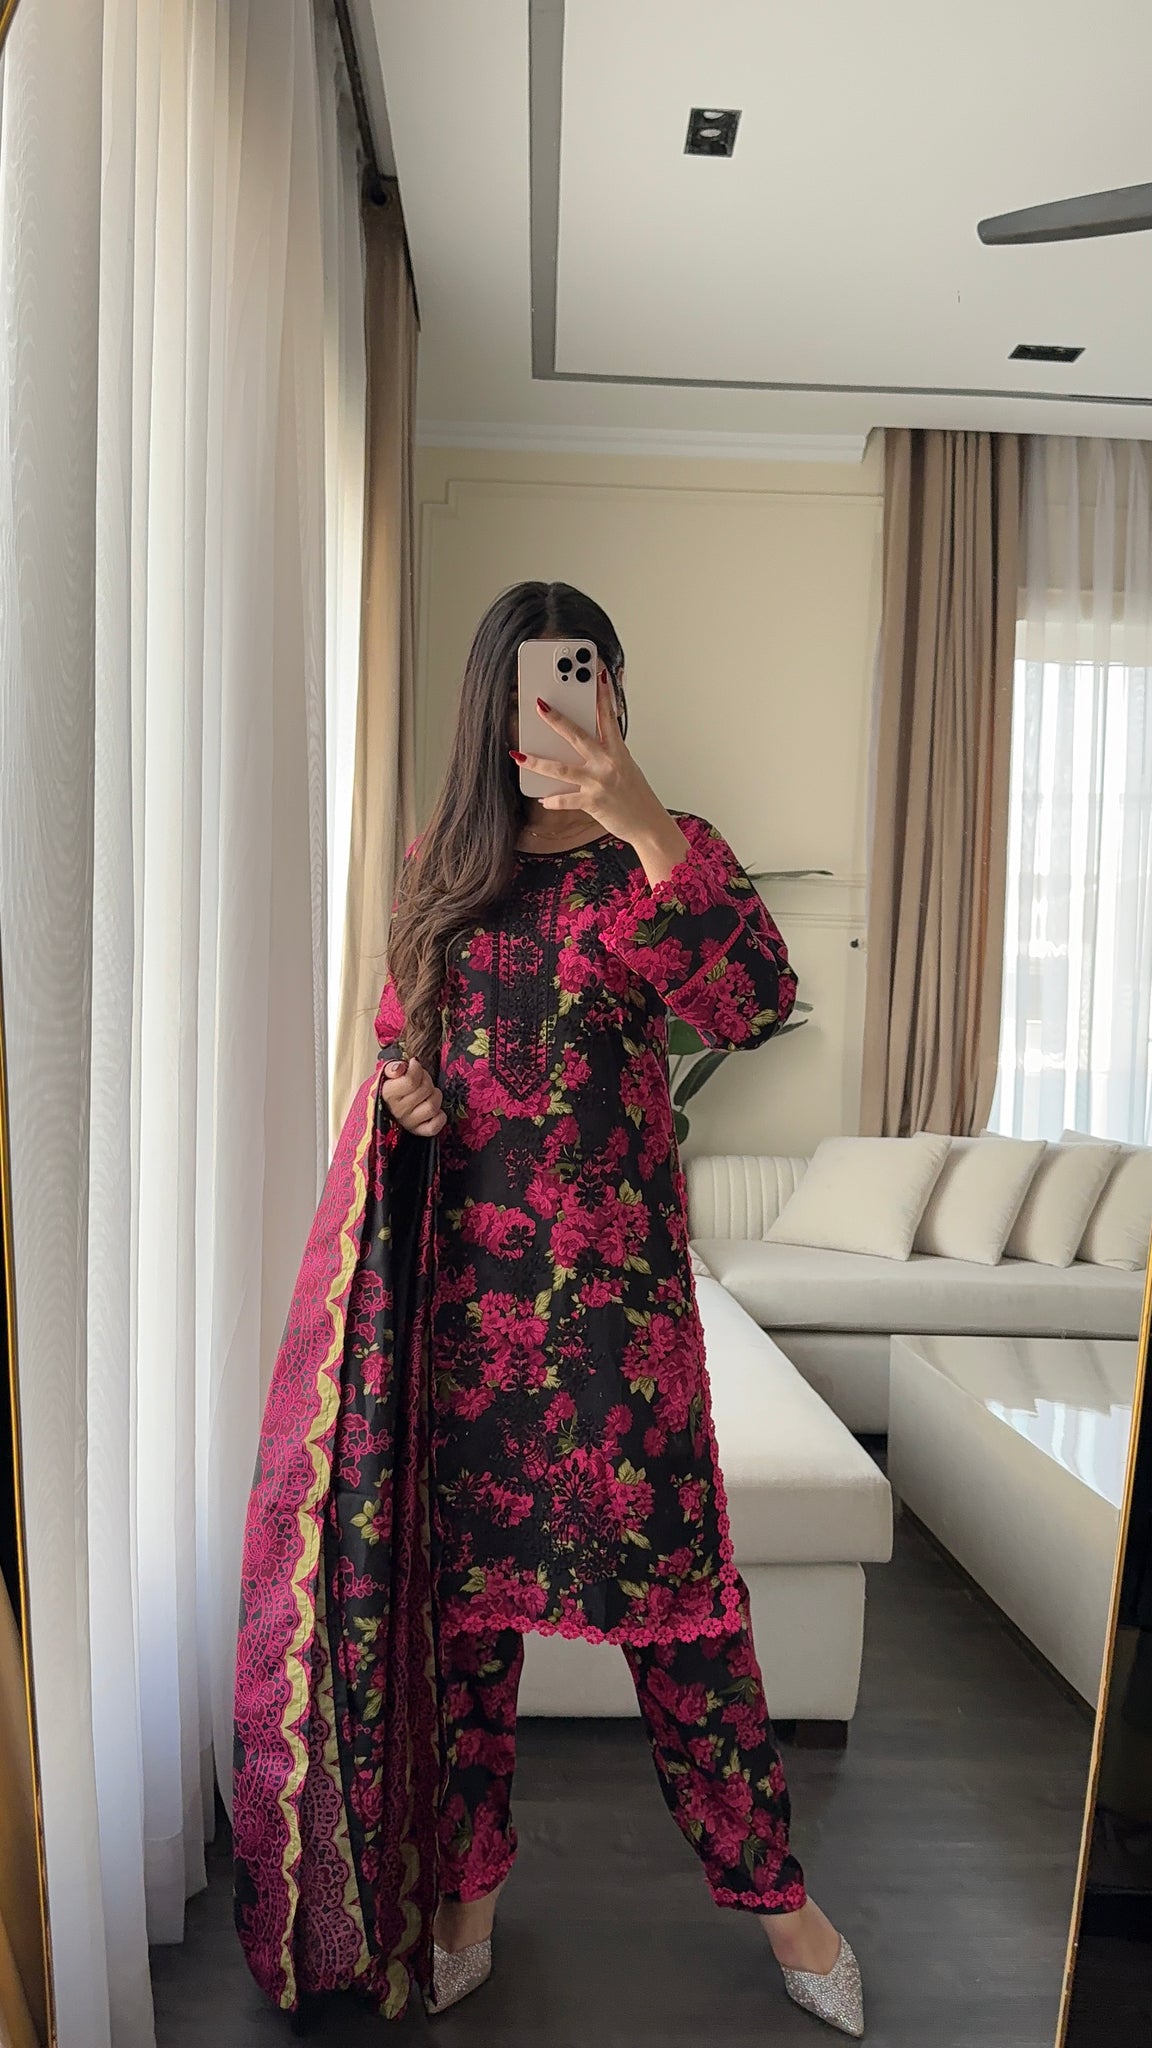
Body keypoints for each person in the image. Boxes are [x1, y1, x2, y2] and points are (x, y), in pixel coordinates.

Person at [232, 581, 864, 2040]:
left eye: (591, 679)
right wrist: (408, 1096)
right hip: (471, 1327)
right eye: (541, 682)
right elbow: (405, 1047)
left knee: (687, 1625)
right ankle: (466, 1901)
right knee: (467, 1639)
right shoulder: (443, 873)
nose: (572, 707)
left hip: (621, 1338)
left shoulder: (665, 857)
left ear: (615, 695)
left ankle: (784, 1905)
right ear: (495, 707)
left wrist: (647, 826)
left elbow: (755, 1003)